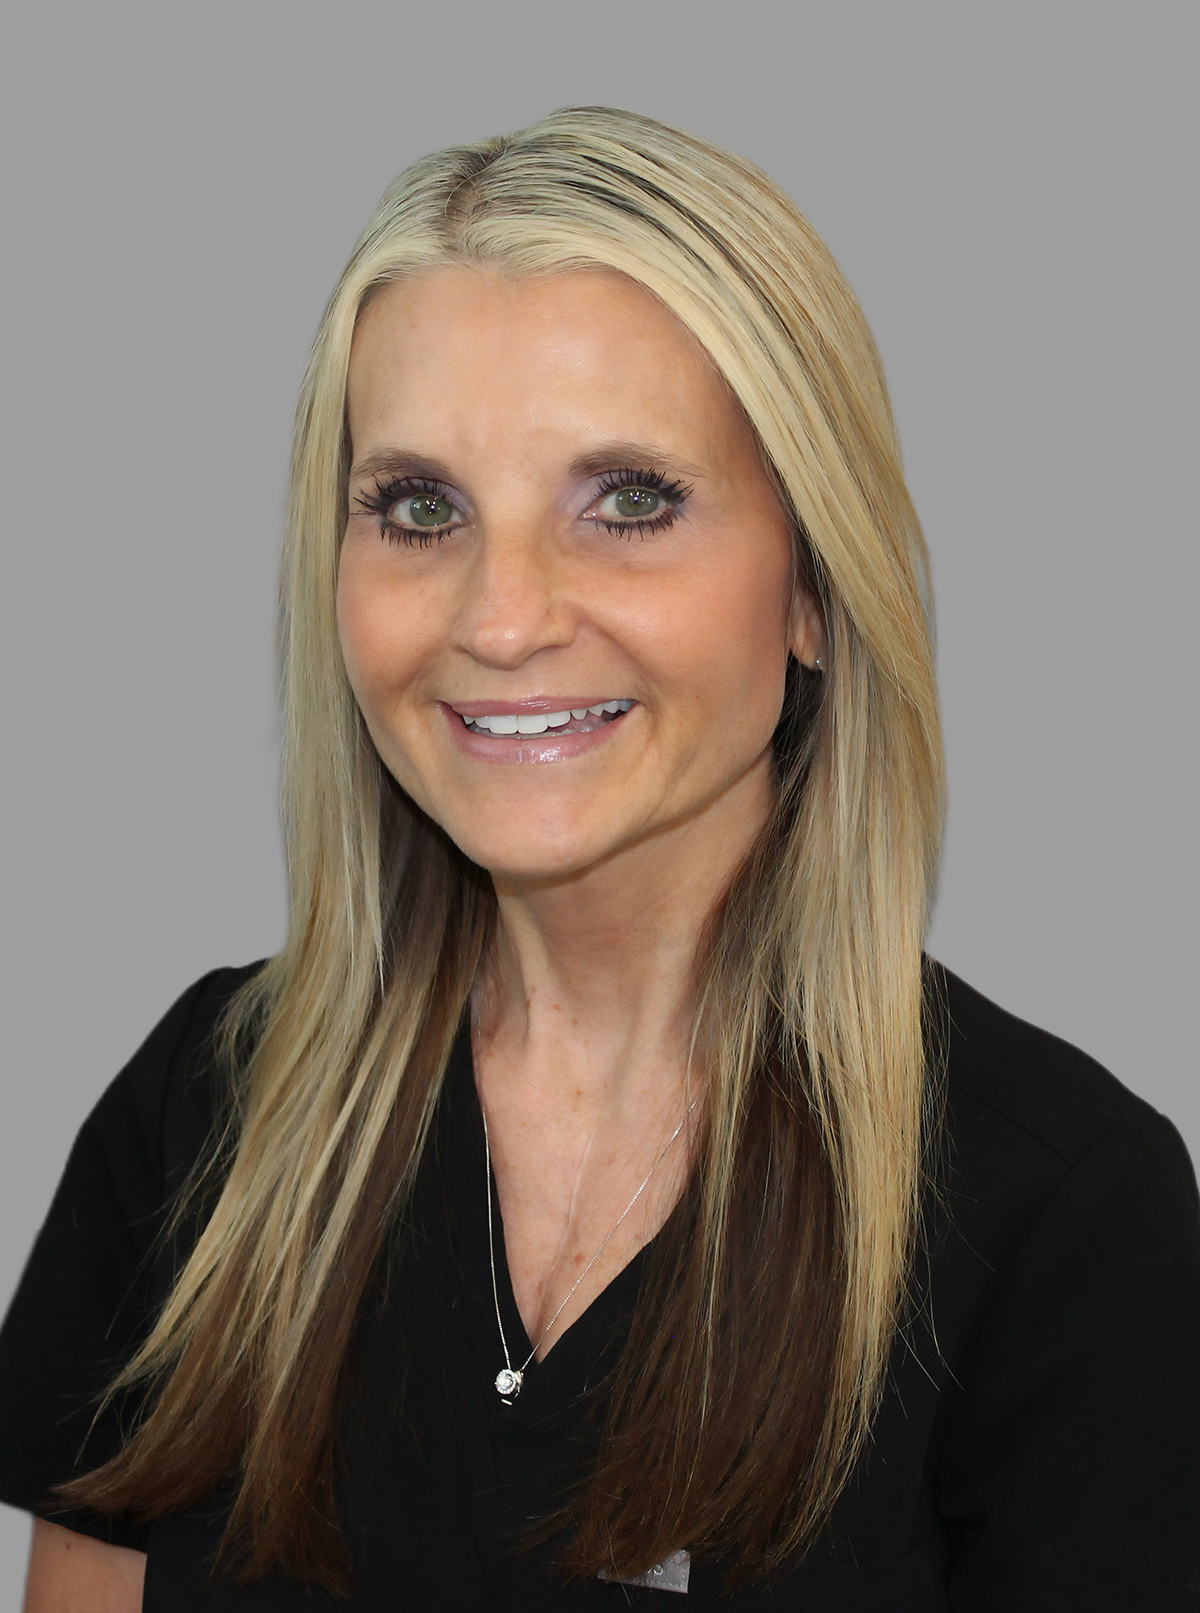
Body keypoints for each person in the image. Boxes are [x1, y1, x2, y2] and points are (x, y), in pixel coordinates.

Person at [2, 107, 1197, 1613]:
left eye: (631, 502)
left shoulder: (1065, 1221)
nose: (503, 619)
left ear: (812, 588)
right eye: (419, 508)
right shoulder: (206, 1110)